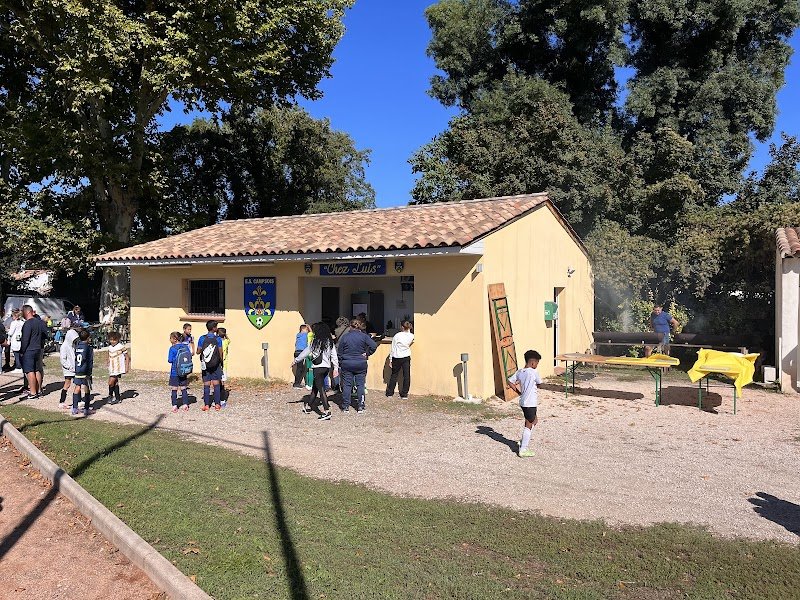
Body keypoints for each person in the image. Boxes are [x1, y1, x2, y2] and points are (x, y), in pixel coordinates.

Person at [291, 322, 339, 421]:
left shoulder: (315, 342)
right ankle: (308, 406)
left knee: (320, 389)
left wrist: (295, 361)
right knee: (315, 388)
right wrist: (336, 368)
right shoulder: (330, 342)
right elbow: (334, 356)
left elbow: (305, 353)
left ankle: (327, 411)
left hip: (317, 368)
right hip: (326, 368)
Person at [337, 316, 378, 414]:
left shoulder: (345, 337)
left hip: (347, 363)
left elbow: (340, 351)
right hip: (360, 362)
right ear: (359, 327)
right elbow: (373, 345)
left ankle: (346, 406)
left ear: (350, 326)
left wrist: (341, 361)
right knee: (360, 384)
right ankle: (360, 406)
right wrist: (367, 353)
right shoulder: (364, 336)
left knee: (347, 385)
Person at [507, 350, 543, 458]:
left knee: (534, 420)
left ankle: (523, 441)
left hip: (523, 402)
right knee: (529, 423)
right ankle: (523, 449)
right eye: (537, 363)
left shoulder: (520, 372)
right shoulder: (533, 372)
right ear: (532, 363)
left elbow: (509, 381)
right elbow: (540, 383)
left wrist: (518, 392)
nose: (536, 365)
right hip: (530, 402)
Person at [19, 305, 49, 399]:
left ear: (27, 312)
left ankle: (32, 392)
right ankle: (39, 390)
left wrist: (22, 351)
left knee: (29, 371)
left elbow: (25, 339)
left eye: (22, 312)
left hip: (29, 349)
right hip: (38, 348)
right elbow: (45, 334)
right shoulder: (39, 322)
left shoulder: (27, 324)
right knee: (37, 370)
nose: (22, 314)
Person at [196, 320, 223, 411]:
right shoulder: (218, 339)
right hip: (216, 364)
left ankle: (207, 405)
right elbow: (220, 352)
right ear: (214, 328)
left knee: (206, 384)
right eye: (216, 327)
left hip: (205, 364)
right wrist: (220, 361)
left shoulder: (202, 338)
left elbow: (198, 351)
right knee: (216, 384)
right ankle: (217, 404)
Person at [386, 320, 414, 400]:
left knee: (394, 375)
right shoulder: (411, 336)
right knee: (406, 375)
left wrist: (390, 359)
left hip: (397, 356)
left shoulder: (397, 335)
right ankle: (404, 394)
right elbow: (409, 334)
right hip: (406, 356)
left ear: (401, 327)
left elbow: (393, 348)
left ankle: (390, 393)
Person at [71, 328, 94, 416]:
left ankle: (74, 408)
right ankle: (86, 409)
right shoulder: (88, 348)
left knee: (77, 387)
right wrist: (89, 373)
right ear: (88, 338)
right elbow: (90, 361)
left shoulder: (77, 346)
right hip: (85, 371)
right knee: (86, 388)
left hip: (78, 370)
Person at [168, 332, 192, 412]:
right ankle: (185, 405)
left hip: (175, 372)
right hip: (183, 371)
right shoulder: (185, 346)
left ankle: (174, 406)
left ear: (174, 339)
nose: (170, 340)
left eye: (170, 338)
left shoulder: (172, 348)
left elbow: (170, 360)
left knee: (174, 388)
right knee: (183, 388)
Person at [59, 326, 80, 409]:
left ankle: (78, 400)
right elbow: (63, 359)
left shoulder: (72, 346)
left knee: (78, 384)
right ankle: (62, 401)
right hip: (68, 369)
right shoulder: (64, 346)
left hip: (74, 368)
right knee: (67, 384)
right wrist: (70, 367)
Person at [106, 331, 129, 405]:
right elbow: (109, 355)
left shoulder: (121, 347)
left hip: (118, 368)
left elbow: (127, 357)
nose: (112, 341)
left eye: (114, 340)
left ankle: (110, 396)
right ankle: (118, 398)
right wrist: (108, 362)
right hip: (112, 368)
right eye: (111, 340)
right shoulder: (109, 347)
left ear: (118, 339)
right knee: (115, 382)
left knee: (110, 382)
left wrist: (126, 367)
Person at [293, 324, 310, 388]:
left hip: (296, 352)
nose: (307, 331)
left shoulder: (298, 335)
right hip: (301, 352)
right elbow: (312, 333)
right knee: (301, 368)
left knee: (300, 368)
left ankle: (297, 382)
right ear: (303, 329)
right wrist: (309, 327)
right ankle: (297, 383)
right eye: (306, 329)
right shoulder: (305, 335)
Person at [218, 327, 230, 407]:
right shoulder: (226, 341)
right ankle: (222, 400)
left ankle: (220, 399)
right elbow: (229, 340)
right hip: (225, 365)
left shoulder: (219, 342)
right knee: (222, 383)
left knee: (219, 383)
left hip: (220, 364)